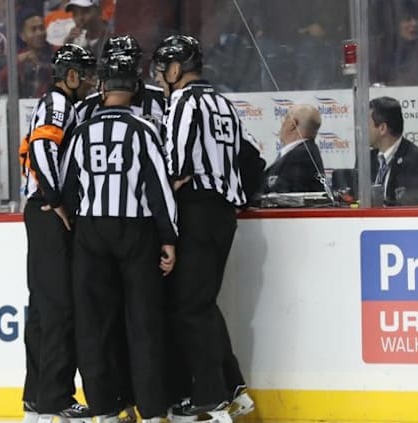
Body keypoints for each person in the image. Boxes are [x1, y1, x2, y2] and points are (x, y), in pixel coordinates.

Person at [60, 43, 177, 423]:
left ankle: (106, 408)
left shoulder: (80, 131)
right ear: (136, 86)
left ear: (103, 87)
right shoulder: (144, 129)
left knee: (95, 324)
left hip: (91, 232)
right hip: (135, 231)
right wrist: (169, 238)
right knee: (143, 323)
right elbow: (159, 188)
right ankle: (154, 409)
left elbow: (68, 189)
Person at [151, 34, 263, 423]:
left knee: (189, 307)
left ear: (176, 69)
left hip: (195, 212)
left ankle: (211, 398)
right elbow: (254, 157)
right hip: (224, 216)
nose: (162, 77)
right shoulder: (223, 102)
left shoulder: (183, 100)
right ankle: (234, 390)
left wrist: (170, 187)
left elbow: (176, 163)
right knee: (201, 303)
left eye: (163, 69)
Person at [19, 44, 96, 423]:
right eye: (85, 73)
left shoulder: (57, 104)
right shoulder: (58, 105)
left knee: (44, 309)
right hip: (49, 214)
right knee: (59, 309)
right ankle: (54, 398)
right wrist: (58, 200)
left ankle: (37, 397)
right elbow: (43, 149)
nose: (90, 80)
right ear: (69, 76)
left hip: (40, 214)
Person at [369, 96, 418, 206]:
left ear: (382, 128)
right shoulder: (366, 159)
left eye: (366, 124)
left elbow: (413, 207)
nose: (360, 130)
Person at [261, 104, 326, 194]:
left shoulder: (300, 157)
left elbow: (286, 198)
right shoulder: (306, 152)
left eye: (285, 119)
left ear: (292, 124)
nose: (282, 124)